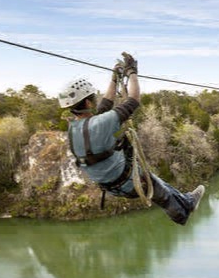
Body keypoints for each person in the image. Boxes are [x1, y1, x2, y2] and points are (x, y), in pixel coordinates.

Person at [58, 52, 205, 225]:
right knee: (162, 194)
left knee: (157, 181)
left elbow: (106, 104)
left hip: (111, 185)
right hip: (129, 182)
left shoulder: (74, 128)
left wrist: (114, 78)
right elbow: (133, 100)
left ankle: (187, 201)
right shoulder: (101, 123)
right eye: (93, 98)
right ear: (89, 104)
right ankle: (181, 214)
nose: (97, 100)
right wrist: (132, 72)